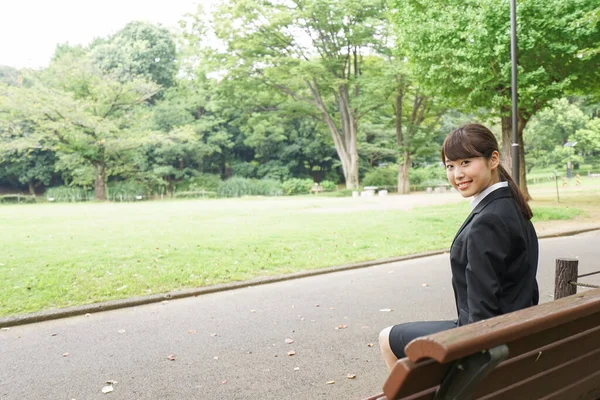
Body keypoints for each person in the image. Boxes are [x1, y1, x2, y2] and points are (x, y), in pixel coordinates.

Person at [378, 123, 539, 370]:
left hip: (489, 344)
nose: (457, 174)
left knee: (387, 337)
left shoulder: (488, 221)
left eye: (465, 162)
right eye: (450, 166)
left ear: (493, 159)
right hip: (517, 333)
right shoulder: (512, 206)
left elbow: (481, 317)